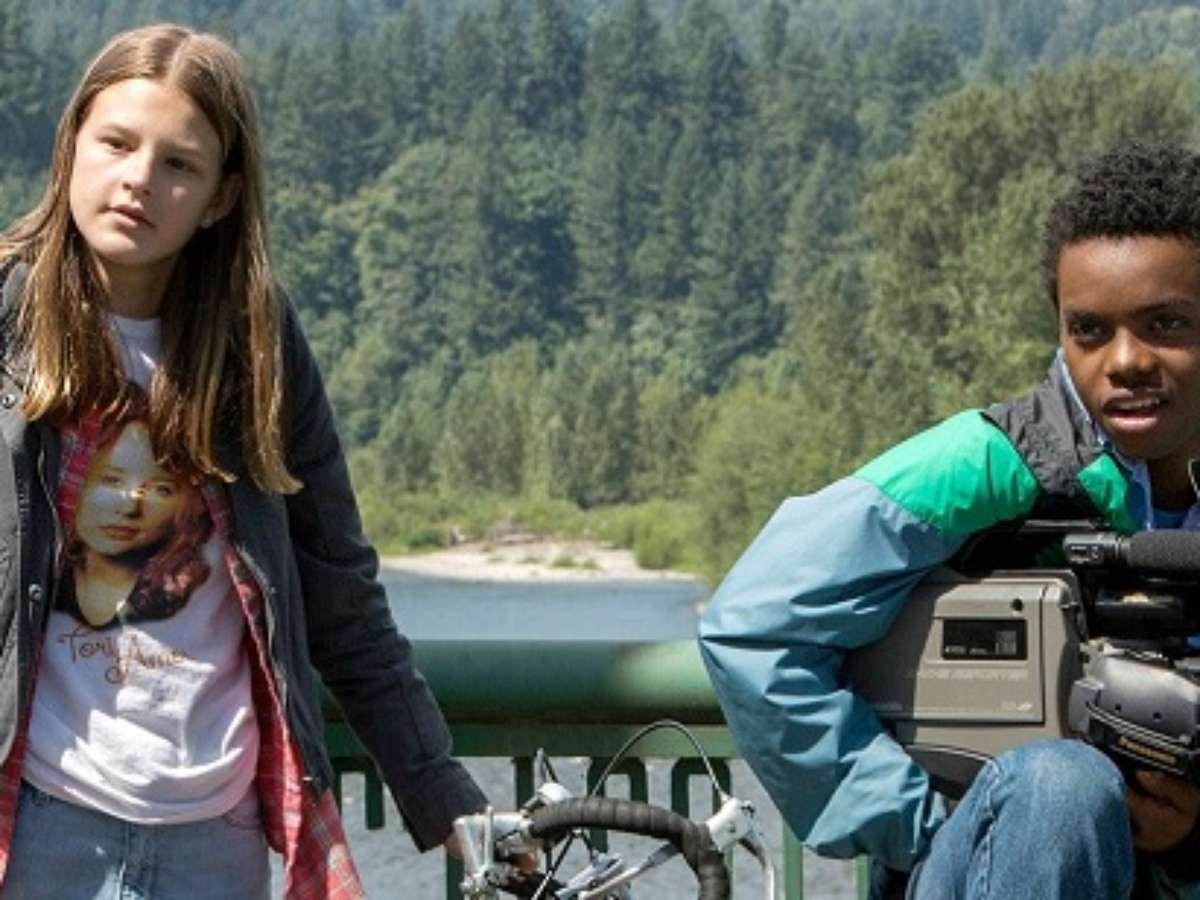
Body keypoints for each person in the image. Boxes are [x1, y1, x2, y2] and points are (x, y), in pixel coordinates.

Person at [0, 23, 488, 899]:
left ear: (220, 197)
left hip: (215, 839)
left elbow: (341, 596)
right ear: (71, 143)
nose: (139, 179)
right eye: (116, 143)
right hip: (36, 823)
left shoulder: (256, 343)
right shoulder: (8, 320)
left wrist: (443, 795)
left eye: (178, 165)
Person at [699, 140, 1200, 900]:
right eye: (1089, 330)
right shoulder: (990, 461)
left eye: (1165, 323)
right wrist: (927, 826)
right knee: (1059, 788)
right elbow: (754, 625)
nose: (1125, 360)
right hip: (984, 864)